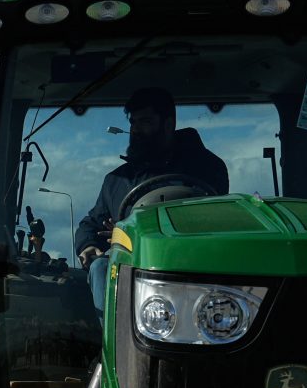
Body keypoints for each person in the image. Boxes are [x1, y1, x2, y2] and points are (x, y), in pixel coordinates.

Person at [74, 87, 230, 313]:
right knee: (99, 268)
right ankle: (113, 345)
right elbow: (92, 223)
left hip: (193, 267)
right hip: (131, 270)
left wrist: (128, 232)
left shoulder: (206, 168)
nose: (136, 130)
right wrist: (88, 244)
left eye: (145, 122)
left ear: (168, 124)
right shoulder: (117, 180)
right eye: (133, 122)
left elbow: (215, 219)